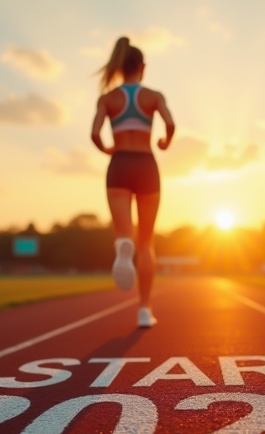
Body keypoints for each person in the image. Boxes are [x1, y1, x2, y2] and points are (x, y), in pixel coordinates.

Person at [91, 36, 175, 328]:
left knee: (125, 234)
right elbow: (171, 123)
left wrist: (107, 150)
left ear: (120, 66)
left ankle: (122, 244)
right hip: (146, 165)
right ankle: (143, 309)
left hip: (119, 165)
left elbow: (94, 134)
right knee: (147, 241)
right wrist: (165, 141)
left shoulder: (108, 98)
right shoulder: (153, 96)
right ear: (142, 67)